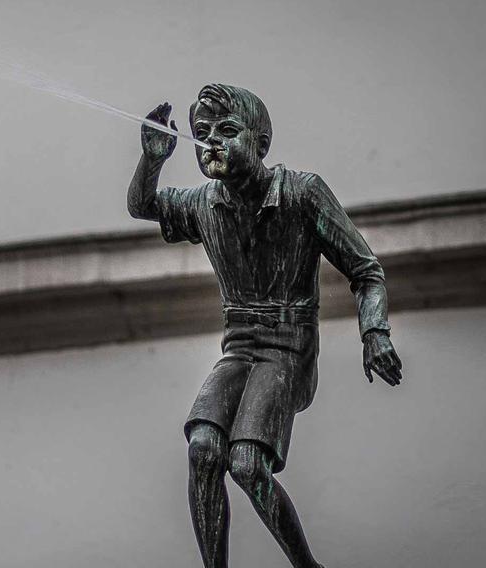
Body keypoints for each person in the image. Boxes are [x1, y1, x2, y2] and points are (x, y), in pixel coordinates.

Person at [126, 84, 403, 568]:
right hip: (239, 346)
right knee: (204, 450)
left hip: (288, 348)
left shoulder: (302, 194)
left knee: (248, 464)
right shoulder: (204, 203)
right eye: (201, 133)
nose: (211, 142)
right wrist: (152, 159)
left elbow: (366, 272)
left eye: (227, 131)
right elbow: (142, 205)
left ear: (260, 142)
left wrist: (374, 332)